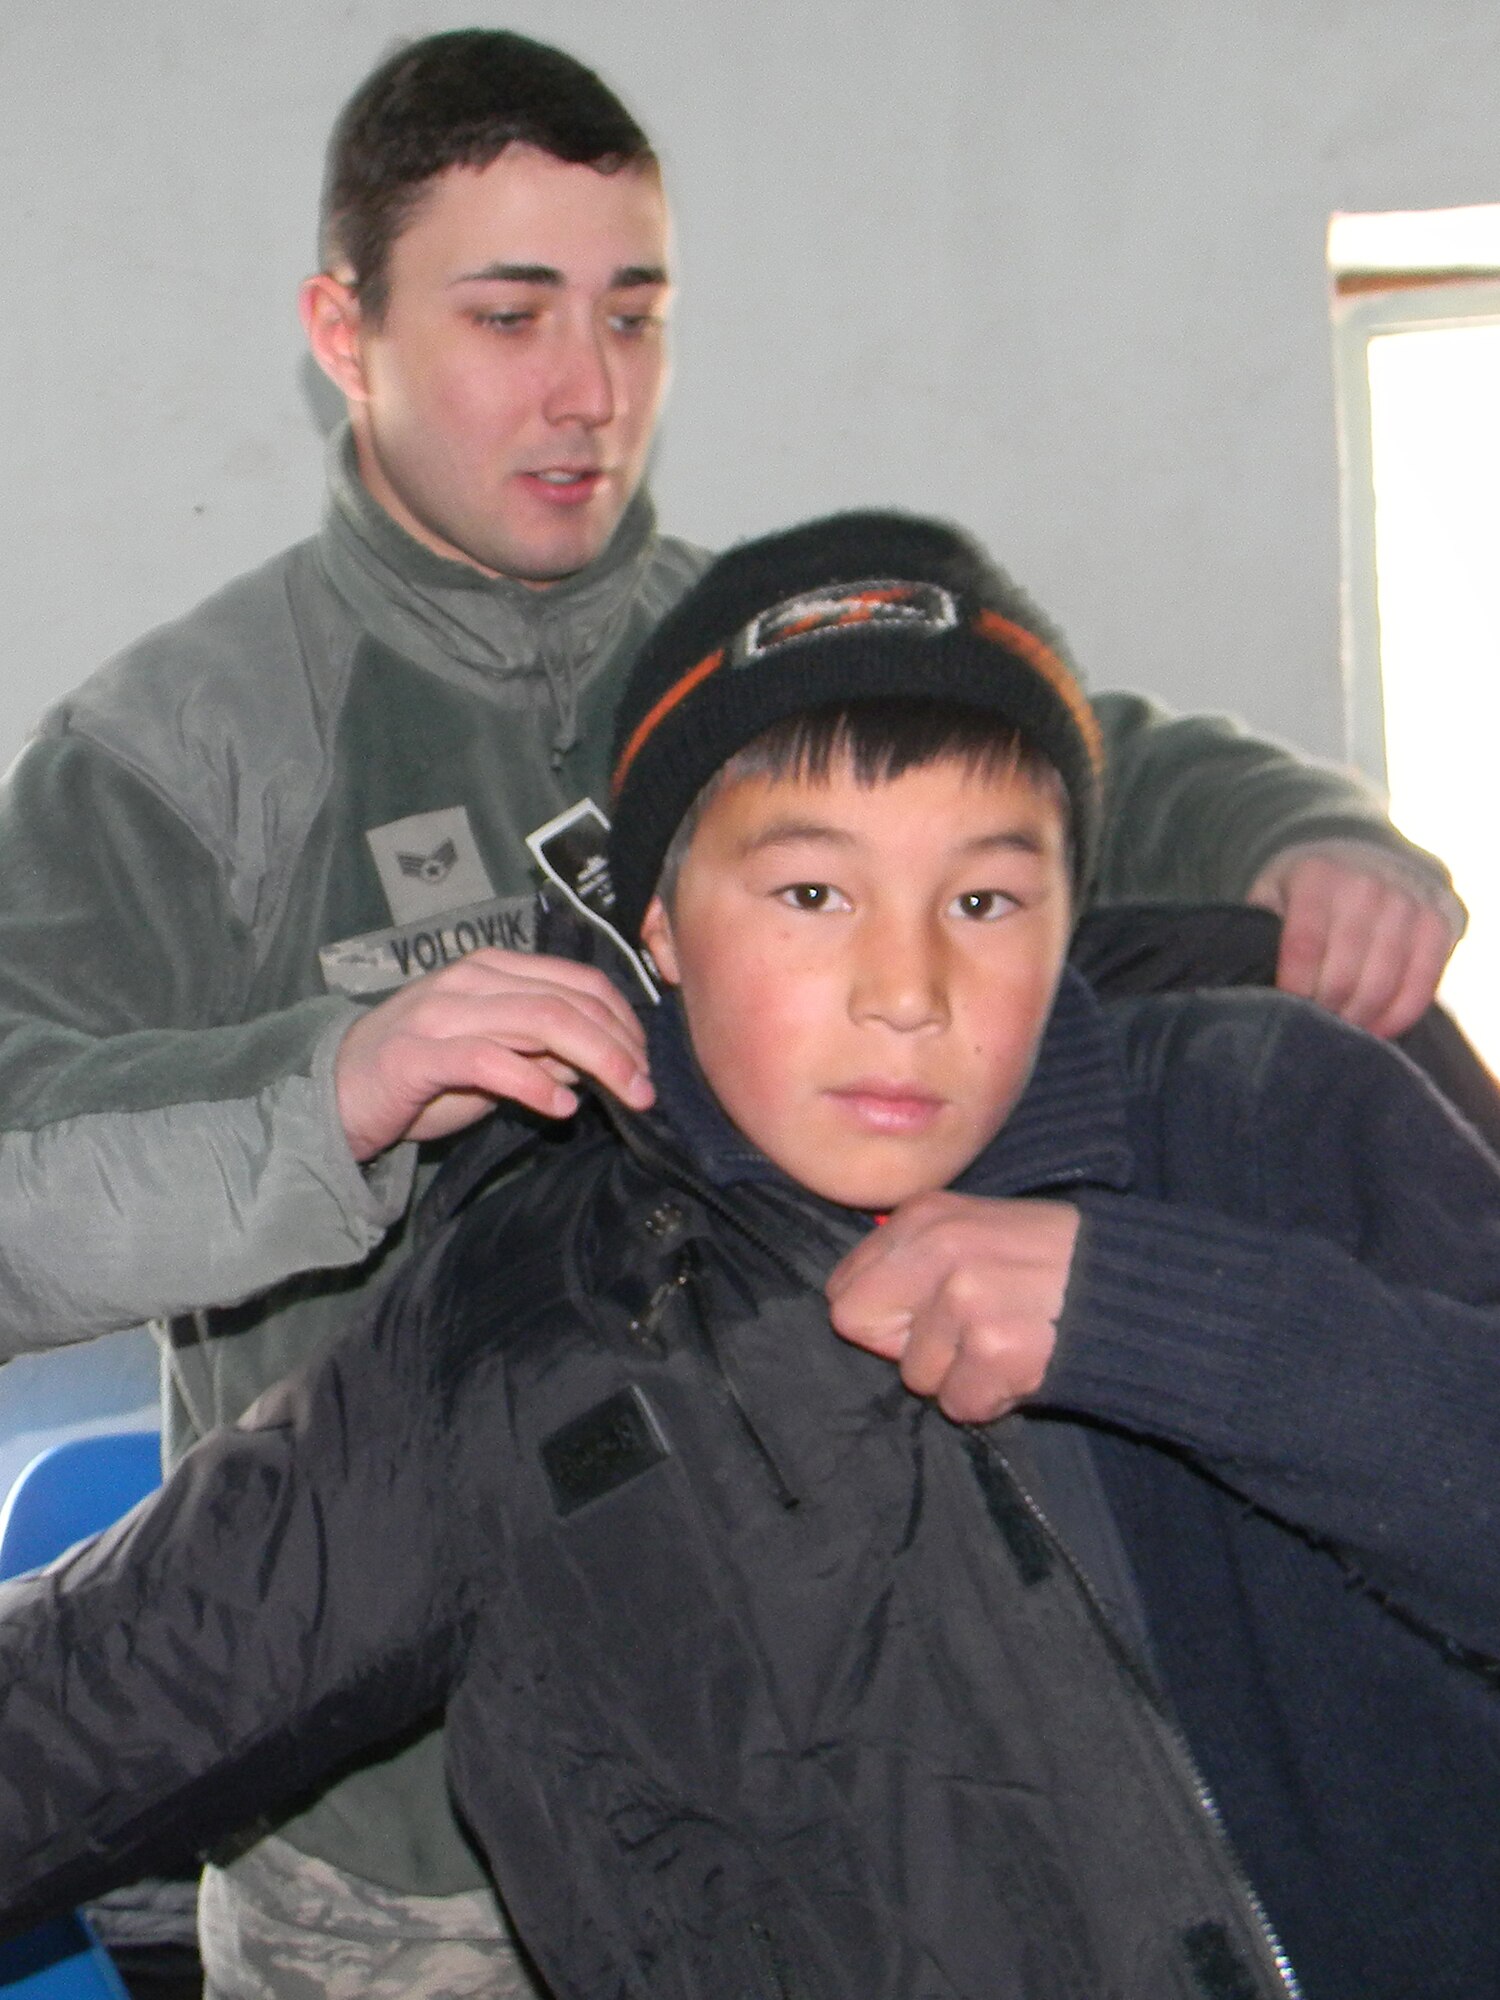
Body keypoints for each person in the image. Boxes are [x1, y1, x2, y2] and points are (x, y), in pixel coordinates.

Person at [0, 26, 1469, 1997]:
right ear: (342, 329)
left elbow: (1102, 759)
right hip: (396, 1834)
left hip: (834, 1767)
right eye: (511, 314)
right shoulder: (175, 757)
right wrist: (320, 1088)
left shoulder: (744, 666)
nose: (589, 390)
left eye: (635, 311)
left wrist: (1309, 828)